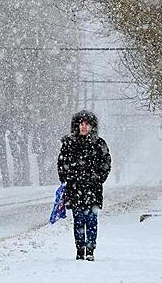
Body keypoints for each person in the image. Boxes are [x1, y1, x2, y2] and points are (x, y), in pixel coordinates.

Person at [57, 110, 111, 261]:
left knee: (92, 220)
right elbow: (62, 163)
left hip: (93, 189)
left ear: (92, 126)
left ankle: (90, 249)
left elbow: (106, 163)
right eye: (81, 123)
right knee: (78, 220)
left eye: (87, 124)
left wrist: (99, 178)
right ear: (77, 125)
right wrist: (66, 178)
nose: (84, 126)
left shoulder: (99, 144)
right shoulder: (69, 143)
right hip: (75, 189)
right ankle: (80, 249)